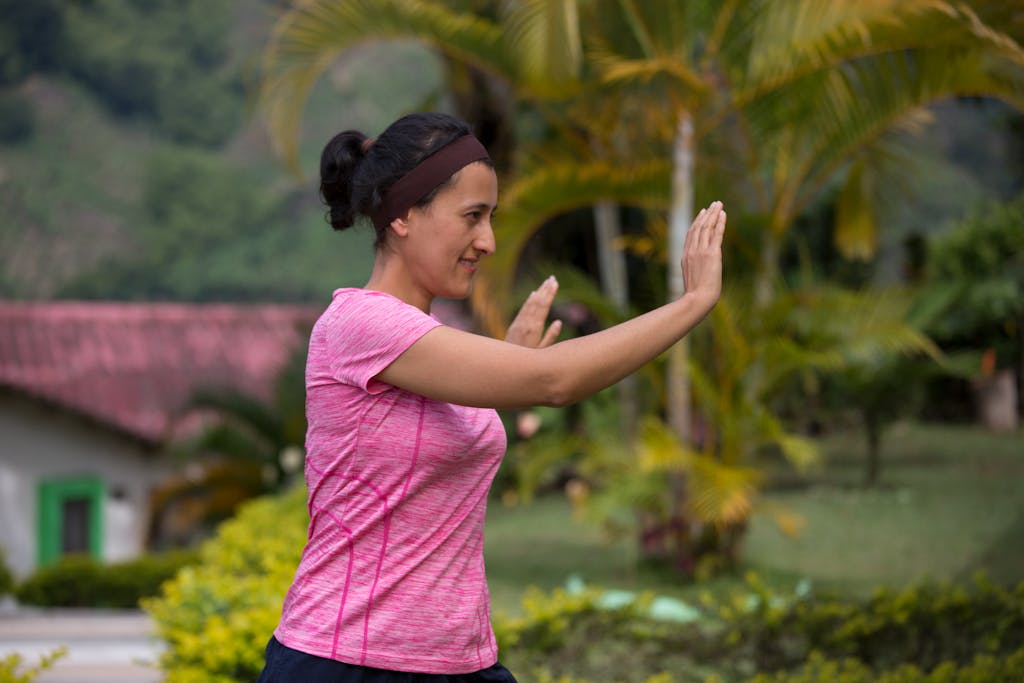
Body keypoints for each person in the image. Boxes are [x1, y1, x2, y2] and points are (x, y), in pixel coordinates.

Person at [257, 112, 726, 682]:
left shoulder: (428, 351)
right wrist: (691, 303)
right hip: (347, 662)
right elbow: (554, 382)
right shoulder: (360, 323)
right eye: (471, 217)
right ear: (404, 216)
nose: (489, 241)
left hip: (460, 660)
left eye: (491, 218)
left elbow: (430, 453)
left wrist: (509, 365)